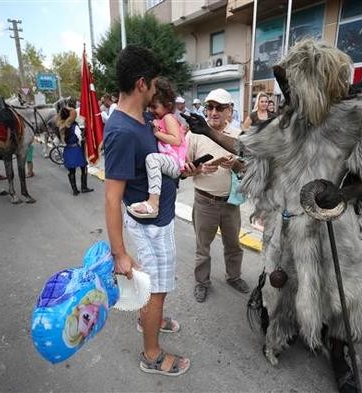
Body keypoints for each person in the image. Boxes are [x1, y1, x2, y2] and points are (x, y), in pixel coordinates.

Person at [183, 39, 362, 393]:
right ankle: (282, 331)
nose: (290, 91)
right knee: (282, 286)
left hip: (336, 228)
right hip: (287, 226)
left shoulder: (354, 120)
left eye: (296, 82)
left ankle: (339, 354)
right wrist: (207, 131)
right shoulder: (289, 124)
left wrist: (342, 194)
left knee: (340, 295)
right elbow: (247, 145)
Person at [103, 45, 190, 376]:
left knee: (158, 289)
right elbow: (112, 198)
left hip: (159, 220)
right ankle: (151, 354)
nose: (156, 89)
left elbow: (152, 165)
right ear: (142, 84)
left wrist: (182, 168)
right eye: (153, 83)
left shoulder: (141, 121)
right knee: (157, 290)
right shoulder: (123, 130)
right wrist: (119, 254)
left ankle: (149, 319)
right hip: (150, 227)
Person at [183, 88, 249, 303]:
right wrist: (199, 170)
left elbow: (247, 171)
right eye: (209, 107)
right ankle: (202, 282)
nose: (213, 112)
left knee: (233, 246)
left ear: (230, 110)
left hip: (230, 203)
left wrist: (236, 164)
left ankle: (234, 277)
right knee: (203, 249)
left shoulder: (238, 136)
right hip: (204, 201)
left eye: (219, 107)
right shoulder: (194, 134)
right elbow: (183, 170)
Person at [127, 77, 187, 219]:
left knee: (152, 159)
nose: (151, 110)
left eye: (155, 107)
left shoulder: (168, 118)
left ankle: (153, 203)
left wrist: (157, 133)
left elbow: (176, 140)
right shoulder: (161, 118)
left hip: (175, 163)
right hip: (172, 162)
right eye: (150, 106)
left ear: (168, 105)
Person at [57, 103, 94, 196]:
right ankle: (84, 187)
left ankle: (75, 190)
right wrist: (85, 134)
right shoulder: (74, 126)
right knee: (83, 167)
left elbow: (59, 141)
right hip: (76, 150)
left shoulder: (61, 127)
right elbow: (80, 138)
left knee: (71, 170)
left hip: (68, 150)